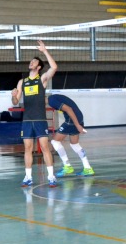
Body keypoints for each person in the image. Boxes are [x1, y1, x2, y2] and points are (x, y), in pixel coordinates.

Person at [11, 40, 59, 188]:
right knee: (27, 148)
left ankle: (51, 177)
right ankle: (28, 177)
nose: (31, 63)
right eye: (31, 61)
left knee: (45, 147)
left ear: (38, 67)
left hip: (40, 119)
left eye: (34, 62)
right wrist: (13, 95)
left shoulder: (42, 79)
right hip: (27, 120)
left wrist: (44, 51)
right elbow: (15, 102)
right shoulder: (22, 82)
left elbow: (54, 67)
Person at [47, 93, 94, 177]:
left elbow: (68, 109)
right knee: (74, 144)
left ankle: (67, 166)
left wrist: (77, 125)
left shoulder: (51, 101)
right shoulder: (54, 97)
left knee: (55, 141)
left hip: (72, 120)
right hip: (78, 117)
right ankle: (88, 168)